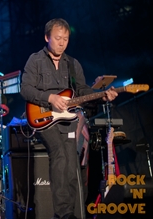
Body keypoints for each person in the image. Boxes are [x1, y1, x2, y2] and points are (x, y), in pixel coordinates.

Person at [20, 18, 118, 219]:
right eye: (58, 38)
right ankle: (63, 213)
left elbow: (82, 91)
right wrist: (50, 98)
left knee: (72, 161)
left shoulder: (73, 64)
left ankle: (76, 211)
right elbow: (26, 89)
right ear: (47, 37)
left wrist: (102, 95)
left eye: (66, 39)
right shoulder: (35, 60)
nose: (62, 42)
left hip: (68, 119)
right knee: (59, 153)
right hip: (44, 116)